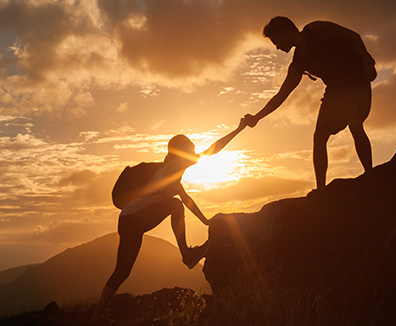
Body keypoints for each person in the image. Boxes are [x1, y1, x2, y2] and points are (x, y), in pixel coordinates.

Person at [90, 118, 247, 324]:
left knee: (122, 272)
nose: (194, 148)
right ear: (180, 150)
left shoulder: (170, 174)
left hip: (128, 219)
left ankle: (95, 319)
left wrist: (206, 222)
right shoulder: (176, 164)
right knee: (174, 206)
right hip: (135, 218)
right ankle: (187, 256)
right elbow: (212, 150)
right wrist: (238, 129)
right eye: (191, 146)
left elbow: (187, 200)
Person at [245, 16, 377, 189]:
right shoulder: (297, 65)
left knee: (354, 123)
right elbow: (281, 95)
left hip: (357, 80)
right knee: (319, 136)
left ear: (284, 32)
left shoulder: (317, 30)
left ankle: (371, 176)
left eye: (276, 41)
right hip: (336, 91)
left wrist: (367, 62)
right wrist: (256, 117)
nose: (277, 47)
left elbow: (353, 36)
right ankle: (320, 190)